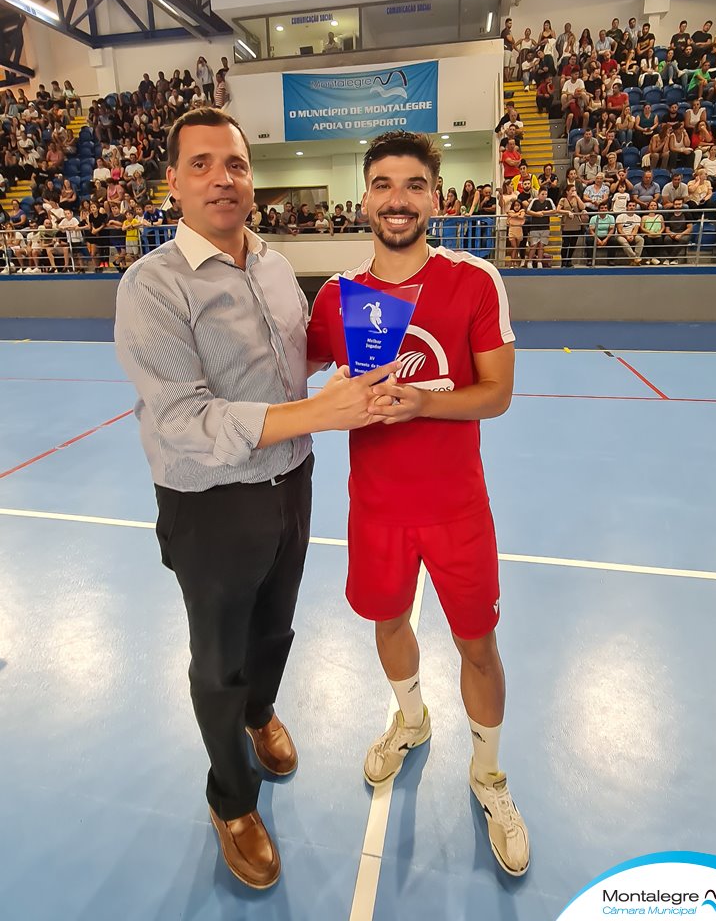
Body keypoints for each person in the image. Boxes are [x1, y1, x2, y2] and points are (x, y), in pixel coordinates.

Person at [114, 107, 398, 891]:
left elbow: (292, 351)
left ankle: (259, 713)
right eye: (200, 164)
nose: (221, 178)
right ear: (172, 181)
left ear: (251, 177)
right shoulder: (152, 288)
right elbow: (183, 419)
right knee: (217, 659)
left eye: (233, 164)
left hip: (291, 481)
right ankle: (231, 799)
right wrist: (320, 412)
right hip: (210, 503)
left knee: (276, 629)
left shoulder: (274, 264)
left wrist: (357, 345)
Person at [306, 131, 529, 877]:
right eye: (382, 184)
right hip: (375, 507)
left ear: (436, 195)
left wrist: (417, 405)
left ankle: (489, 776)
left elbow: (496, 395)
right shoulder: (337, 296)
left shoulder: (473, 280)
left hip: (457, 508)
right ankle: (411, 720)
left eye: (412, 185)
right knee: (388, 621)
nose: (396, 198)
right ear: (363, 197)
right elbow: (289, 363)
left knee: (477, 645)